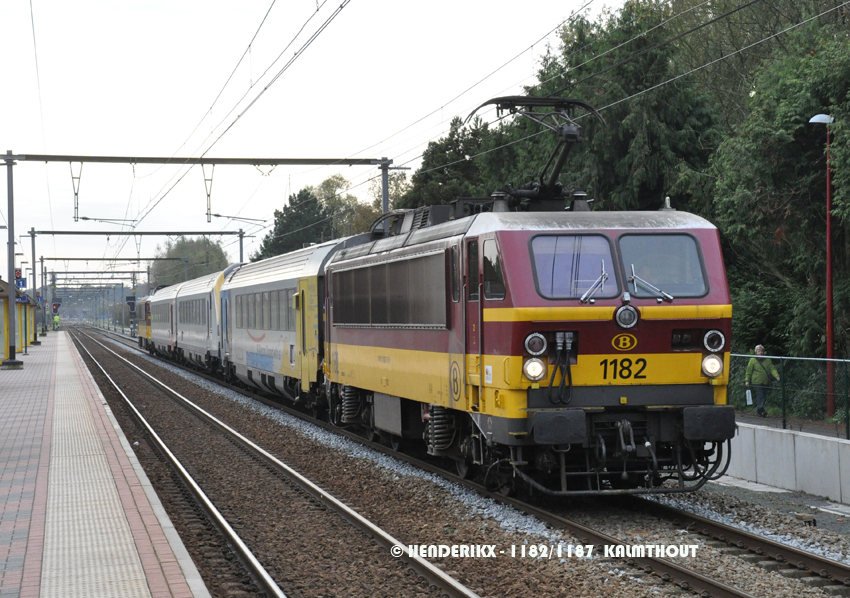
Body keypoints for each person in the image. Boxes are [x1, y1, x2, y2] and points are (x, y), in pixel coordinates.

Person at [745, 345, 780, 417]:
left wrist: (776, 376)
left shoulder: (767, 360)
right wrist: (747, 380)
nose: (760, 352)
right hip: (756, 381)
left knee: (763, 396)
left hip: (765, 381)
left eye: (761, 351)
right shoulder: (753, 360)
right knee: (761, 395)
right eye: (758, 351)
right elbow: (749, 371)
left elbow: (772, 368)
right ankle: (761, 409)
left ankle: (759, 411)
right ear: (756, 352)